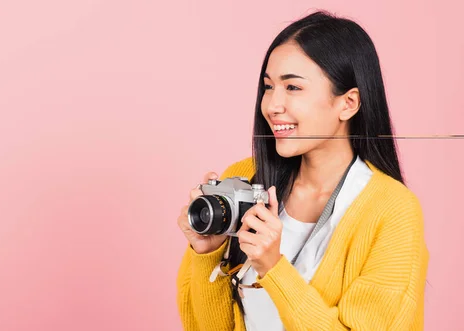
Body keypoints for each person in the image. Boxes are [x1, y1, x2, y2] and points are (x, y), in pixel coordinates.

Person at [176, 10, 429, 331]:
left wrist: (274, 268)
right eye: (268, 87)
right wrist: (207, 255)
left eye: (293, 87)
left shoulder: (392, 211)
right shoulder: (244, 178)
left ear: (348, 103)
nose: (272, 105)